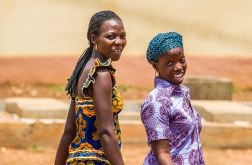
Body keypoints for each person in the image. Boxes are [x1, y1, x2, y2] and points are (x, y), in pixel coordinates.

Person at [55, 10, 126, 165]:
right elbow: (106, 132)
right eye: (111, 36)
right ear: (94, 38)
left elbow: (69, 132)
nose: (119, 42)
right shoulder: (101, 73)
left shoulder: (83, 70)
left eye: (122, 36)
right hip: (96, 160)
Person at [140, 32, 205, 165]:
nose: (179, 67)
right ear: (155, 66)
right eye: (170, 63)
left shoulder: (181, 93)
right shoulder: (156, 102)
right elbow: (162, 154)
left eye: (181, 60)